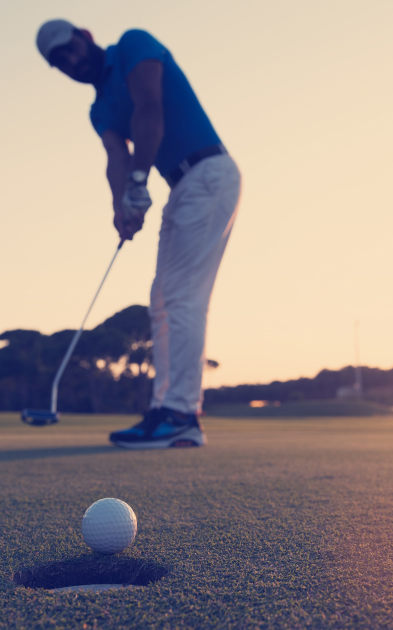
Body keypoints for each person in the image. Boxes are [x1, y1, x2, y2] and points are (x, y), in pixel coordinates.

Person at [36, 20, 240, 449]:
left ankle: (182, 413)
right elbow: (116, 156)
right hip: (183, 185)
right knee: (163, 300)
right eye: (61, 61)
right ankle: (165, 409)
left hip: (208, 173)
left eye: (71, 48)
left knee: (182, 297)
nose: (72, 61)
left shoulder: (133, 44)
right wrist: (121, 208)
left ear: (86, 36)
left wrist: (139, 182)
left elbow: (150, 109)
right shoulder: (99, 110)